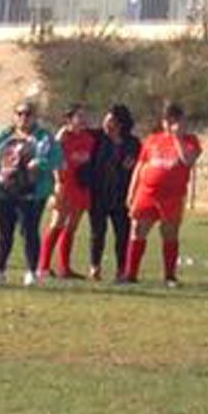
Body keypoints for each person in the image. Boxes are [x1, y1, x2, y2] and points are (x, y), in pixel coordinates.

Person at [0, 98, 60, 287]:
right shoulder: (3, 135)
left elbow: (57, 159)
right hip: (3, 190)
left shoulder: (44, 137)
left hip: (31, 192)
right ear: (14, 116)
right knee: (3, 231)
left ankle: (32, 272)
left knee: (29, 231)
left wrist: (40, 163)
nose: (24, 117)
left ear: (35, 117)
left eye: (28, 114)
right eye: (20, 113)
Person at [122, 102, 199, 287]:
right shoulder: (152, 140)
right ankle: (130, 274)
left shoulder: (190, 140)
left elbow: (187, 160)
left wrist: (177, 138)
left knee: (169, 233)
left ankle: (170, 276)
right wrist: (132, 191)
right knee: (138, 230)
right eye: (168, 120)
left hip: (172, 196)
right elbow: (140, 166)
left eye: (176, 120)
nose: (171, 124)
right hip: (147, 193)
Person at [39, 104, 96, 280]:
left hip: (81, 186)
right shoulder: (63, 138)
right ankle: (43, 266)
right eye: (79, 116)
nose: (83, 120)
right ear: (69, 119)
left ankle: (64, 267)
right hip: (65, 185)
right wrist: (57, 182)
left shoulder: (89, 139)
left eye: (85, 116)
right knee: (57, 223)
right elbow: (51, 157)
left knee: (72, 226)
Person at [86, 105, 138, 282]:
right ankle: (95, 267)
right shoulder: (96, 138)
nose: (107, 124)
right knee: (97, 232)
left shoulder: (132, 143)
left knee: (122, 234)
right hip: (99, 193)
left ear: (121, 124)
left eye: (112, 121)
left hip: (121, 194)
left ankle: (122, 269)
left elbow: (136, 166)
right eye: (106, 120)